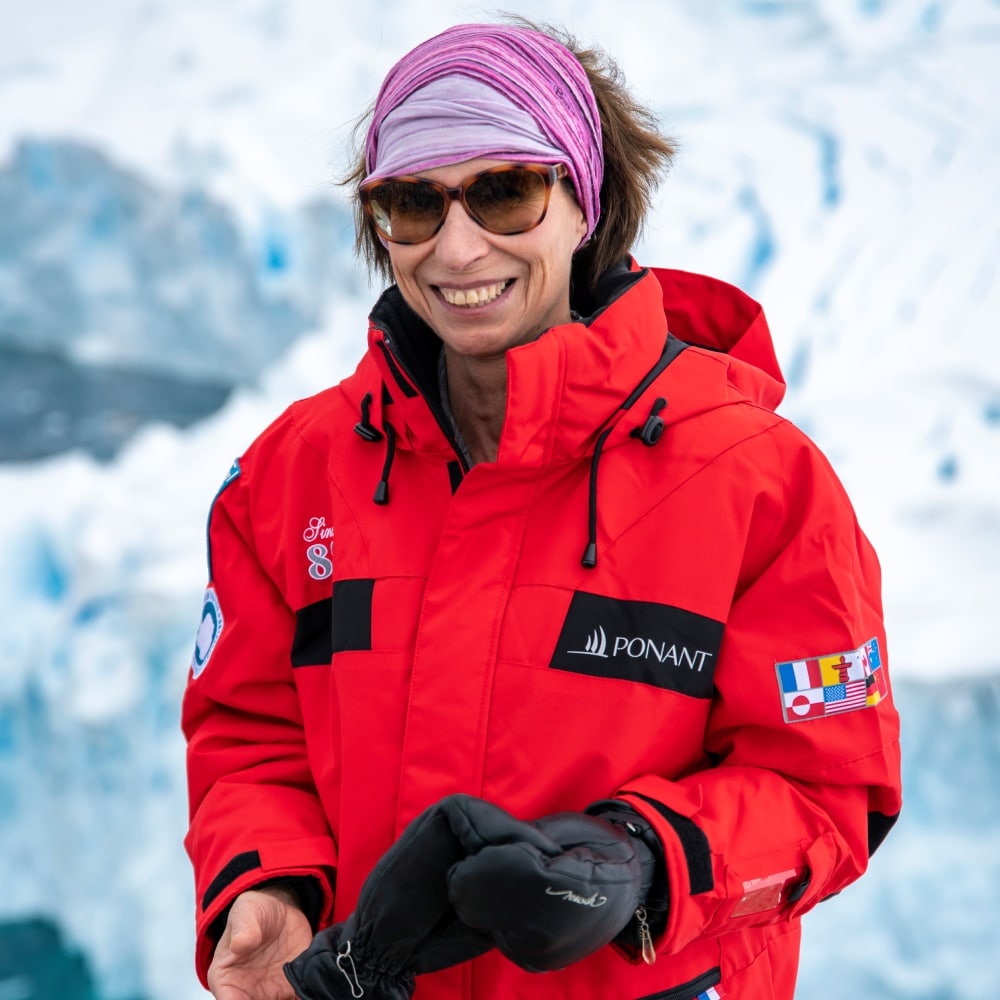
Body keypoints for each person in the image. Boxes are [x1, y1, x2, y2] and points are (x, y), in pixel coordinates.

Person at [181, 18, 903, 1000]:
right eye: (413, 203)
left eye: (504, 192)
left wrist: (641, 859)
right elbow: (247, 737)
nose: (459, 245)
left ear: (583, 201)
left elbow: (827, 790)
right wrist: (263, 883)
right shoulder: (289, 478)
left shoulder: (759, 482)